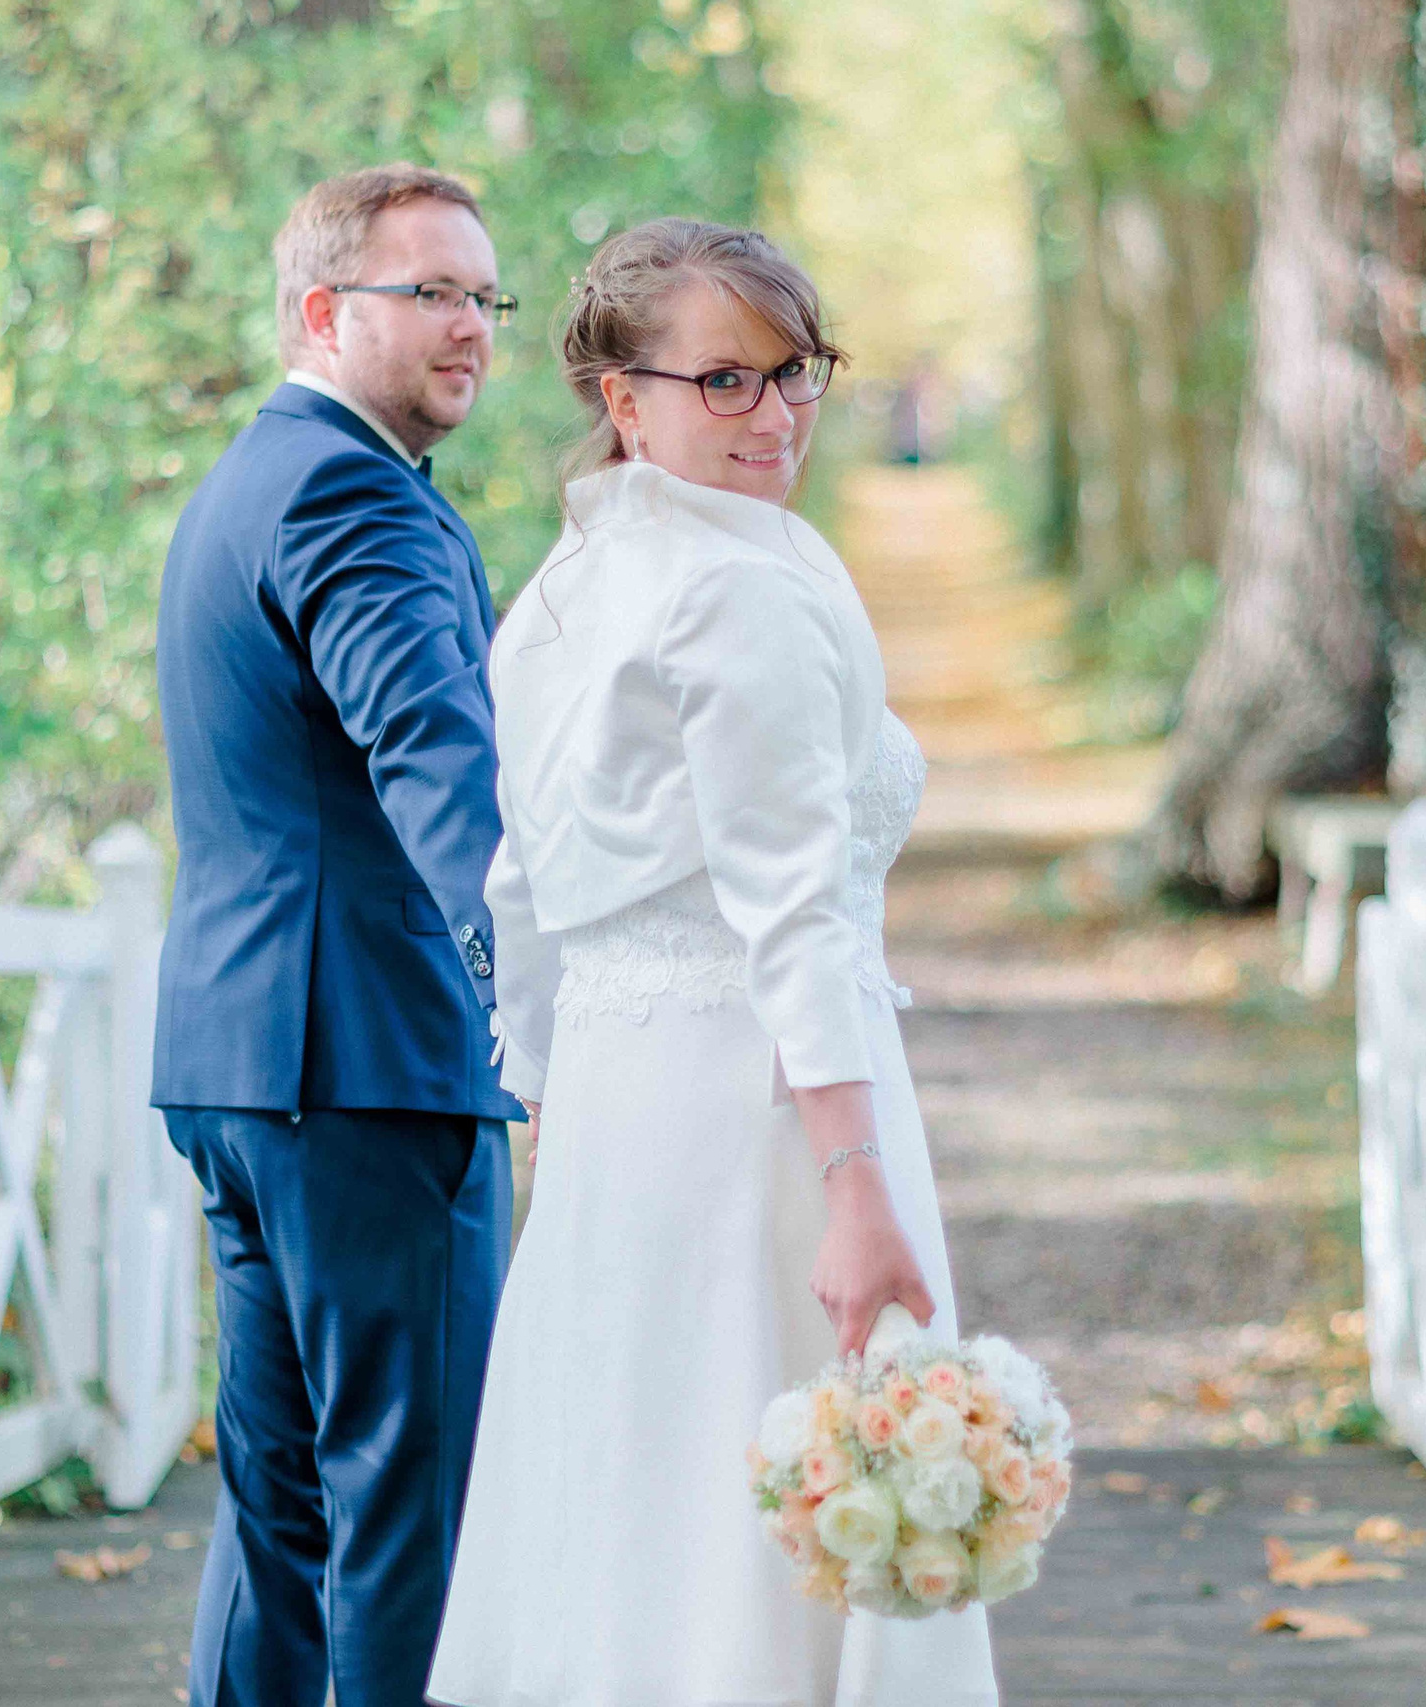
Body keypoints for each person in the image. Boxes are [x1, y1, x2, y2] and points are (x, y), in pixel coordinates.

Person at [428, 219, 1000, 1704]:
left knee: (636, 1503)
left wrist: (551, 1104)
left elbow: (524, 888)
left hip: (625, 1113)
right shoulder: (738, 585)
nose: (776, 416)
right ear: (626, 400)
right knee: (751, 1514)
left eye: (796, 373)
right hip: (768, 1106)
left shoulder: (565, 585)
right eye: (725, 383)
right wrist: (859, 1184)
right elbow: (794, 908)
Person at [149, 163, 525, 1707]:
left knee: (286, 1509)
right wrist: (539, 996)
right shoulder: (350, 491)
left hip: (245, 1066)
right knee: (406, 1516)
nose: (473, 327)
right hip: (370, 1067)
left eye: (484, 296)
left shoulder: (255, 474)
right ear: (322, 311)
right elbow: (436, 757)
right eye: (429, 292)